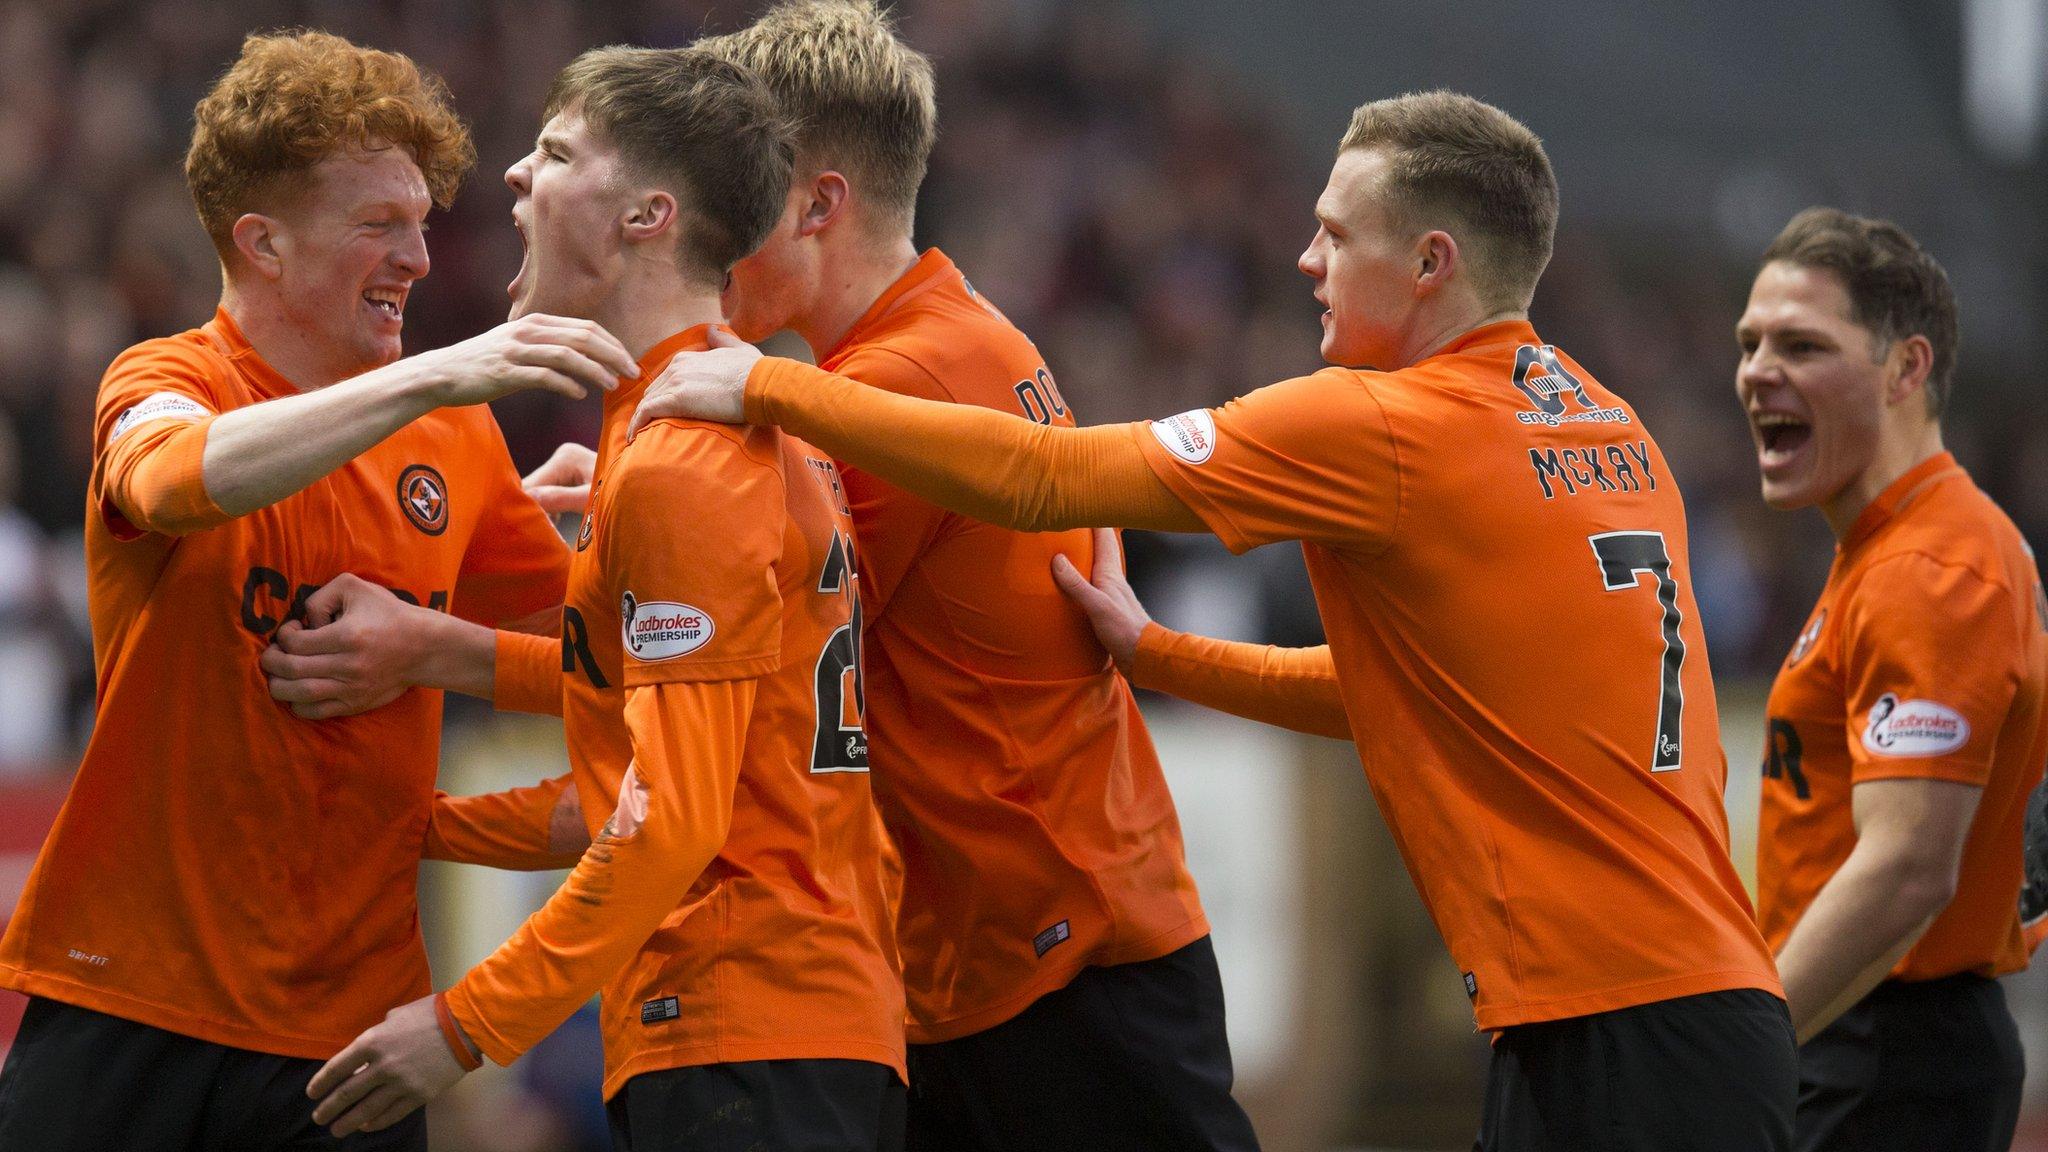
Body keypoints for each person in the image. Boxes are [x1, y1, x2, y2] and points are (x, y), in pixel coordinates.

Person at [638, 89, 1797, 1150]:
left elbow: (1049, 478)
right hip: (1676, 1005)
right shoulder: (1608, 424)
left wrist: (769, 385)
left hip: (1622, 1025)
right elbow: (1402, 692)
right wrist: (1158, 656)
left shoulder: (1388, 425)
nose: (1305, 260)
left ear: (1431, 263)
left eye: (1338, 236)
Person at [274, 5, 1249, 1147]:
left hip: (1032, 951)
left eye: (753, 179)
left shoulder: (875, 393)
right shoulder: (909, 360)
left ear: (814, 201)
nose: (730, 230)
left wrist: (440, 652)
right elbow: (730, 674)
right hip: (955, 958)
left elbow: (689, 739)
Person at [0, 30, 634, 1152]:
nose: (421, 259)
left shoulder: (455, 436)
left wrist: (455, 637)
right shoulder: (163, 380)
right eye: (378, 225)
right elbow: (175, 478)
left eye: (423, 222)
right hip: (126, 1002)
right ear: (265, 245)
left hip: (348, 1042)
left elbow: (611, 670)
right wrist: (437, 372)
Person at [299, 48, 905, 1150]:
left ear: (646, 217)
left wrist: (466, 1024)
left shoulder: (682, 462)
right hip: (791, 1020)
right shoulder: (727, 428)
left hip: (743, 1030)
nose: (517, 180)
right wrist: (409, 824)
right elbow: (623, 784)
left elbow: (665, 821)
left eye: (558, 152)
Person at [1733, 208, 2045, 1152]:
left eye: (1801, 344)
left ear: (1907, 368)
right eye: (1750, 343)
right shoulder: (1895, 548)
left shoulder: (1930, 569)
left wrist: (1741, 1051)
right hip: (1874, 1040)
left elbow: (1908, 869)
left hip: (1883, 1051)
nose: (1756, 371)